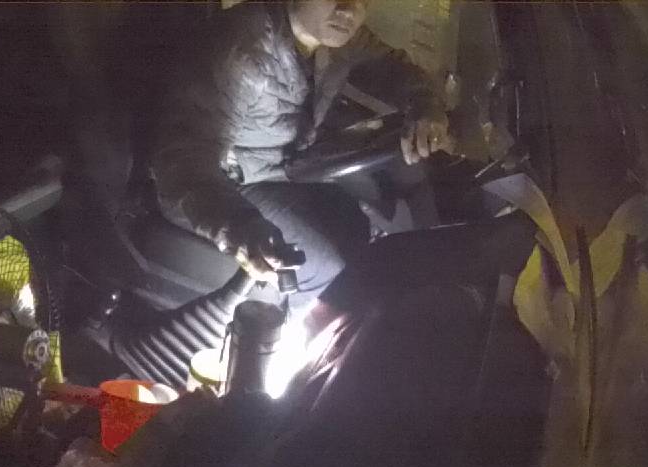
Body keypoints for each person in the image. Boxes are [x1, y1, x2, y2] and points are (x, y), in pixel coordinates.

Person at [149, 0, 452, 310]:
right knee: (324, 270)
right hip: (221, 186)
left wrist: (425, 102)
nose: (349, 9)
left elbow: (390, 66)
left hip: (279, 167)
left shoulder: (334, 34)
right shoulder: (244, 52)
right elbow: (183, 160)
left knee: (357, 225)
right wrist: (239, 225)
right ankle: (282, 332)